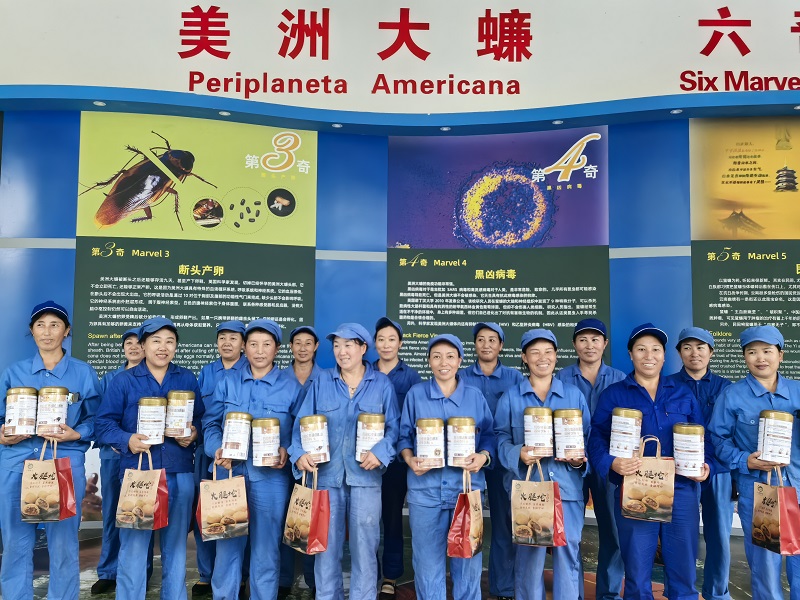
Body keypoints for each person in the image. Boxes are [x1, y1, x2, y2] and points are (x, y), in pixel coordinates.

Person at [587, 323, 712, 600]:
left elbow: (703, 437)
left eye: (656, 350)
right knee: (637, 567)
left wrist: (705, 466)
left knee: (683, 568)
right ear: (630, 354)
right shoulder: (615, 394)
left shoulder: (682, 393)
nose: (649, 356)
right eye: (641, 349)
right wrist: (611, 462)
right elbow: (596, 437)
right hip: (635, 487)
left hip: (681, 489)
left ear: (664, 356)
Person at [289, 323, 400, 600]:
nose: (341, 351)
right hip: (327, 478)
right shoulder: (322, 382)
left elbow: (395, 429)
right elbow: (301, 424)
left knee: (365, 549)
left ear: (363, 349)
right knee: (325, 549)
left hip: (366, 479)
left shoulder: (381, 384)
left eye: (348, 345)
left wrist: (381, 452)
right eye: (337, 345)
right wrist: (298, 453)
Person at [96, 317, 203, 600]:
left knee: (176, 546)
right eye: (156, 341)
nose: (163, 347)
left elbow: (201, 420)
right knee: (133, 545)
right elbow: (103, 424)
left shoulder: (187, 378)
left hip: (179, 472)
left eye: (170, 341)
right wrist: (127, 439)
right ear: (143, 345)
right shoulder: (123, 380)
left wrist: (194, 433)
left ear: (176, 346)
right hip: (139, 473)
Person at [0, 300, 101, 600]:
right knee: (16, 541)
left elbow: (98, 420)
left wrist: (77, 433)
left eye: (55, 325)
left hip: (64, 464)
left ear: (66, 331)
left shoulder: (83, 373)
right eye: (40, 325)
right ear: (31, 331)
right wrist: (3, 436)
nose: (47, 332)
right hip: (18, 463)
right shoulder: (14, 373)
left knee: (63, 542)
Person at [203, 319, 303, 600]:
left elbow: (300, 431)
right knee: (227, 544)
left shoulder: (291, 387)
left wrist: (287, 450)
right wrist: (216, 449)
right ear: (244, 347)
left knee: (266, 548)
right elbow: (210, 423)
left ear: (277, 349)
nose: (260, 351)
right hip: (229, 473)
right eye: (254, 344)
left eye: (267, 344)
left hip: (270, 479)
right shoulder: (227, 382)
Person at [399, 333, 495, 600]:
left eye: (450, 356)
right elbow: (404, 436)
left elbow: (489, 435)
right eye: (437, 356)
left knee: (468, 562)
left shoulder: (474, 396)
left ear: (460, 360)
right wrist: (409, 459)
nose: (444, 362)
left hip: (466, 491)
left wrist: (483, 456)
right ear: (429, 361)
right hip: (425, 493)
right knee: (427, 564)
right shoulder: (416, 395)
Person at [495, 329, 590, 600]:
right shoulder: (511, 397)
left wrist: (579, 460)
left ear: (556, 356)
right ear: (524, 357)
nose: (542, 358)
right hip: (529, 490)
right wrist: (518, 453)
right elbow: (499, 438)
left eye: (548, 352)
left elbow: (588, 437)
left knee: (568, 553)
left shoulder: (573, 396)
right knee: (529, 555)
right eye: (534, 352)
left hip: (566, 489)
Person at [708, 325, 800, 599]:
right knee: (765, 564)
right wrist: (744, 461)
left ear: (780, 355)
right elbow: (717, 439)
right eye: (752, 352)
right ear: (745, 357)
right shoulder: (732, 395)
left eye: (767, 351)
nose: (760, 358)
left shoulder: (798, 391)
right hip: (759, 492)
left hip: (798, 488)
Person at [555, 318, 625, 600]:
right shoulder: (560, 379)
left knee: (613, 531)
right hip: (570, 465)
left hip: (608, 464)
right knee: (569, 532)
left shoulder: (620, 379)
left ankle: (608, 593)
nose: (589, 345)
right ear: (574, 344)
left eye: (595, 339)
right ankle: (574, 593)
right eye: (583, 339)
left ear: (605, 344)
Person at [458, 322, 523, 600]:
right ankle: (464, 586)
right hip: (466, 464)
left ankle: (503, 588)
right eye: (481, 339)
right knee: (465, 524)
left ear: (501, 345)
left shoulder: (514, 378)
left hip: (503, 463)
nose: (486, 345)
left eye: (492, 340)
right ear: (474, 344)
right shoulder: (460, 376)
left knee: (504, 525)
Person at [667, 327, 731, 600]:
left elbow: (730, 431)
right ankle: (677, 591)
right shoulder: (667, 385)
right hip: (679, 473)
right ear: (679, 352)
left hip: (717, 469)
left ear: (711, 352)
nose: (694, 353)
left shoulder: (726, 388)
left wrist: (714, 465)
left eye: (701, 347)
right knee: (679, 536)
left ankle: (717, 593)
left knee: (719, 536)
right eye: (687, 347)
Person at [92, 327, 155, 595]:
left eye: (137, 343)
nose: (133, 347)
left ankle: (142, 571)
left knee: (141, 514)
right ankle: (108, 571)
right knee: (112, 513)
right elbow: (100, 418)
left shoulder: (153, 378)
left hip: (142, 457)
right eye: (128, 343)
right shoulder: (110, 378)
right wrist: (118, 442)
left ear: (145, 347)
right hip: (112, 455)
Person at [193, 320, 248, 598]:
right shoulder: (207, 371)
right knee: (206, 513)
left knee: (237, 517)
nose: (227, 343)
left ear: (243, 344)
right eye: (222, 338)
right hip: (209, 452)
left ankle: (240, 577)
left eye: (233, 338)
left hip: (241, 460)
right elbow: (202, 415)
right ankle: (206, 574)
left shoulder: (250, 371)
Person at [373, 317, 422, 597]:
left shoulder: (411, 378)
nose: (386, 344)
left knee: (392, 519)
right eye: (381, 339)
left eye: (392, 339)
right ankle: (368, 570)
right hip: (365, 460)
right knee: (366, 519)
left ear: (400, 344)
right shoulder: (365, 371)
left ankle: (390, 576)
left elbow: (414, 420)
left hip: (396, 462)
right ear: (374, 343)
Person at [278, 325, 321, 598]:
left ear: (316, 347)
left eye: (308, 343)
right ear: (290, 347)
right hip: (280, 458)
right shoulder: (279, 377)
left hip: (313, 461)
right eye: (298, 343)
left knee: (310, 517)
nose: (303, 348)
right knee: (286, 517)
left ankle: (313, 580)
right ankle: (283, 579)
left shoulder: (326, 378)